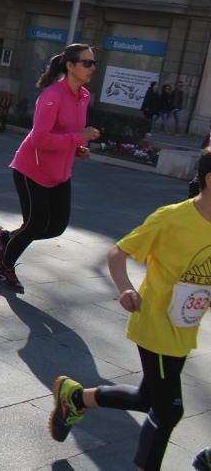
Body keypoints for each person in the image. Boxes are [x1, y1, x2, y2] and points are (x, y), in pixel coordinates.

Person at [48, 147, 211, 471]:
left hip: (184, 329)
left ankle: (74, 398)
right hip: (155, 324)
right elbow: (118, 254)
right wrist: (125, 288)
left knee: (146, 398)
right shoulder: (172, 218)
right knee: (168, 411)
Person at [0, 43, 101, 293]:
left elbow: (67, 134)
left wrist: (76, 149)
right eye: (87, 63)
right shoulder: (52, 96)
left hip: (60, 172)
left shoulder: (83, 97)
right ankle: (4, 269)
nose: (92, 68)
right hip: (33, 169)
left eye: (94, 63)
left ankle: (8, 238)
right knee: (36, 223)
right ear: (70, 66)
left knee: (56, 227)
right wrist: (78, 138)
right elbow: (40, 139)